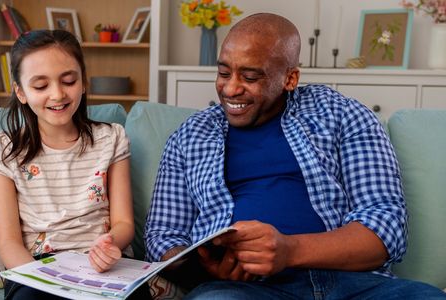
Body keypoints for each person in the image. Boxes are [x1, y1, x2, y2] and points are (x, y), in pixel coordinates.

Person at [144, 13, 446, 299]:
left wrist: (289, 250)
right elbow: (163, 236)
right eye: (224, 72)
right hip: (244, 290)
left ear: (290, 78)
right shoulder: (190, 136)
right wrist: (199, 267)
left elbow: (385, 225)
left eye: (250, 77)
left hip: (354, 284)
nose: (231, 88)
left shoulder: (342, 114)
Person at [0, 30, 135, 299]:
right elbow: (9, 245)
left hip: (102, 265)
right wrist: (55, 283)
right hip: (35, 271)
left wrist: (110, 244)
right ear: (21, 92)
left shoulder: (111, 138)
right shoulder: (3, 150)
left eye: (68, 80)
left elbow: (123, 222)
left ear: (84, 81)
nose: (57, 94)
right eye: (41, 86)